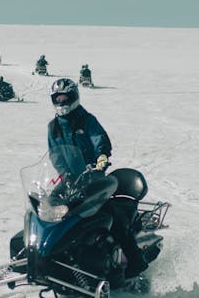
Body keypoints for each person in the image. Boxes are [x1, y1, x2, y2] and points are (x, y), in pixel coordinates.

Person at [47, 77, 148, 278]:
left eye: (65, 97)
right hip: (69, 179)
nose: (61, 102)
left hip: (93, 177)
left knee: (111, 216)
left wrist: (101, 156)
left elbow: (98, 138)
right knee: (49, 209)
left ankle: (136, 262)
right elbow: (55, 152)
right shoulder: (54, 126)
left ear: (74, 97)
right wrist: (64, 173)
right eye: (57, 98)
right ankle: (50, 258)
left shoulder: (86, 119)